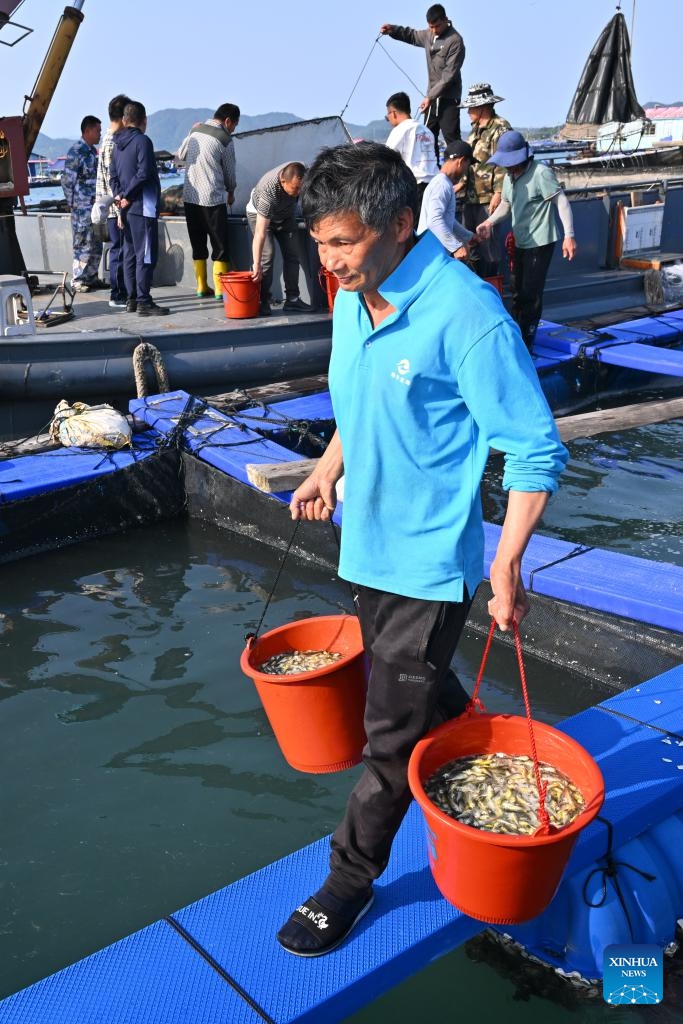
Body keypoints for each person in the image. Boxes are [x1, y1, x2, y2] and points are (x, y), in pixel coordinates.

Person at [275, 141, 568, 957]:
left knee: (384, 742)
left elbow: (534, 448)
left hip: (432, 566)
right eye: (321, 244)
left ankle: (348, 878)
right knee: (406, 693)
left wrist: (505, 563)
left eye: (345, 242)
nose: (331, 262)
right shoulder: (351, 296)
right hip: (364, 543)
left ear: (403, 224)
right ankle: (460, 727)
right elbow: (358, 397)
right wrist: (326, 468)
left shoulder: (467, 313)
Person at [477, 130, 577, 349]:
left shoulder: (541, 173)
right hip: (521, 241)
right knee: (517, 291)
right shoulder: (508, 178)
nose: (509, 167)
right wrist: (489, 222)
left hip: (540, 242)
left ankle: (527, 341)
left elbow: (561, 202)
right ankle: (517, 335)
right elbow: (506, 204)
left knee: (531, 294)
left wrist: (569, 236)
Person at [380, 5, 465, 162]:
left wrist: (430, 96)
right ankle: (432, 173)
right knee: (427, 136)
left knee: (452, 138)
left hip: (449, 99)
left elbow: (448, 75)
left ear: (445, 20)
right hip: (431, 99)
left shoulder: (455, 41)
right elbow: (411, 35)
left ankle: (463, 179)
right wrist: (392, 30)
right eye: (431, 27)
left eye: (437, 26)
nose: (434, 30)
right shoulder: (428, 35)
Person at [110, 101, 168, 317]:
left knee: (130, 254)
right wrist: (127, 196)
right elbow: (144, 173)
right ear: (144, 121)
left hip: (126, 209)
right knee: (145, 254)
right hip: (143, 206)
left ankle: (132, 299)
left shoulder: (117, 145)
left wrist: (120, 197)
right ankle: (144, 301)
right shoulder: (143, 142)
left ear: (125, 121)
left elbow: (113, 176)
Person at [177, 102, 240, 300]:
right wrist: (231, 191)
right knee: (220, 246)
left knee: (198, 243)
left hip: (190, 198)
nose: (233, 129)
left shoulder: (195, 131)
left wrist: (189, 133)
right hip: (212, 199)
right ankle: (220, 290)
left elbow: (180, 156)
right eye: (234, 125)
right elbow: (229, 173)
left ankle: (201, 287)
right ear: (228, 121)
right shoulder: (225, 139)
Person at [460, 82, 511, 279]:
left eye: (471, 108)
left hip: (488, 197)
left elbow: (504, 163)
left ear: (482, 107)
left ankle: (492, 287)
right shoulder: (475, 130)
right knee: (472, 245)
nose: (468, 111)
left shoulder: (500, 128)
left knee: (489, 248)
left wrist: (498, 193)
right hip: (470, 197)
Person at [247, 161, 311, 316]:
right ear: (283, 181)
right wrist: (256, 264)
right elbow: (260, 233)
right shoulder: (268, 192)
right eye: (295, 189)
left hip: (285, 215)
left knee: (292, 255)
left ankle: (293, 300)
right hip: (259, 216)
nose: (298, 193)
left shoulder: (304, 174)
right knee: (267, 257)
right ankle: (263, 300)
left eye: (301, 188)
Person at [61, 115, 105, 292]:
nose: (99, 134)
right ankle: (78, 280)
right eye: (97, 131)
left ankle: (92, 277)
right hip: (81, 208)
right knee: (82, 243)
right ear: (87, 131)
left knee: (96, 241)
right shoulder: (76, 151)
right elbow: (66, 180)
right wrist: (72, 204)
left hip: (94, 207)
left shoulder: (92, 152)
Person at [95, 94, 131, 308]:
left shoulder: (106, 140)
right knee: (118, 250)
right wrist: (120, 213)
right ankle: (117, 294)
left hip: (110, 208)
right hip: (114, 210)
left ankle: (120, 291)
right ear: (123, 117)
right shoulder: (112, 143)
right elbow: (113, 182)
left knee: (118, 249)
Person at [416, 139, 474, 258]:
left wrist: (469, 236)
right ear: (461, 161)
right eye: (467, 166)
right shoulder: (442, 185)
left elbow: (448, 219)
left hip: (435, 252)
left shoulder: (444, 183)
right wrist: (456, 246)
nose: (465, 172)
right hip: (432, 255)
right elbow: (435, 220)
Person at [384, 91, 437, 215]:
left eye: (388, 117)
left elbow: (386, 157)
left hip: (415, 185)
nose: (389, 120)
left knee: (414, 227)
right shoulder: (426, 130)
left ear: (394, 113)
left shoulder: (400, 130)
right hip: (434, 183)